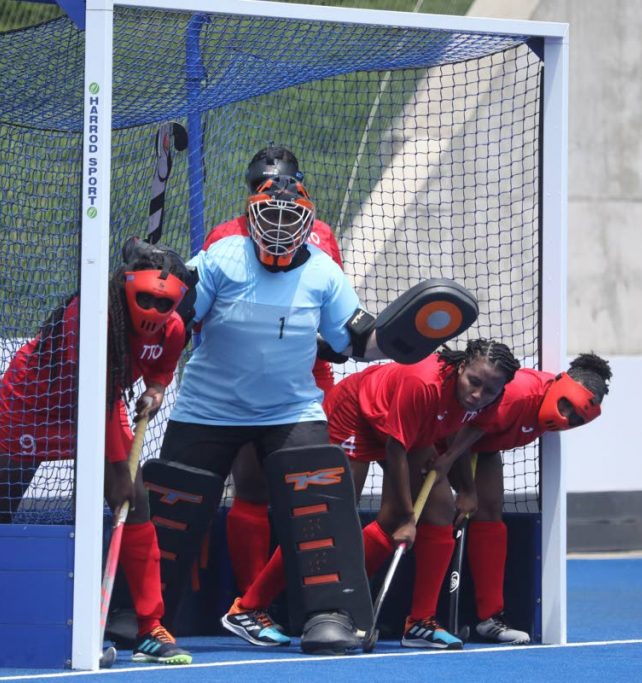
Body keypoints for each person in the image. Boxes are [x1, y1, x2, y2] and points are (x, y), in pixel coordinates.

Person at [143, 145, 478, 657]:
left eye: (289, 214)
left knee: (323, 502)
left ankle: (330, 615)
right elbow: (180, 320)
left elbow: (354, 341)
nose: (278, 224)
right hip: (208, 407)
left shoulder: (323, 268)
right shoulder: (219, 254)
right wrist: (158, 289)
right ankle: (140, 616)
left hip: (291, 407)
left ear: (306, 218)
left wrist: (401, 337)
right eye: (268, 212)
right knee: (173, 506)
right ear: (251, 210)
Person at [0, 244, 195, 665]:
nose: (152, 309)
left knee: (134, 500)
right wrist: (119, 466)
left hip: (102, 404)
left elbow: (161, 367)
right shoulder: (89, 316)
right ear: (125, 288)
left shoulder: (173, 329)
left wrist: (156, 389)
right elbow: (92, 396)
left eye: (162, 302)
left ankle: (150, 627)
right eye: (144, 298)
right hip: (34, 405)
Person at [222, 339, 520, 651]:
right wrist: (407, 517)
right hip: (357, 412)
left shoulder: (491, 397)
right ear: (461, 367)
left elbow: (467, 431)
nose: (477, 395)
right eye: (474, 382)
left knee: (440, 509)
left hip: (411, 426)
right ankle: (247, 608)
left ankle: (420, 622)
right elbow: (396, 449)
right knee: (327, 520)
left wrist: (465, 486)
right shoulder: (423, 384)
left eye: (489, 390)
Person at [199, 147, 346, 601]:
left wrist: (331, 340)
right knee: (253, 487)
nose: (275, 194)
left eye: (284, 184)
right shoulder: (225, 237)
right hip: (245, 379)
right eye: (263, 186)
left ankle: (309, 599)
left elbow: (331, 304)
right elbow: (207, 312)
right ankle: (250, 601)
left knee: (312, 491)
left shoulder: (321, 235)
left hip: (310, 377)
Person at [413, 352, 613, 646]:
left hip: (481, 444)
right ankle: (418, 620)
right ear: (558, 384)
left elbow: (481, 436)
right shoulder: (517, 395)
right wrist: (466, 491)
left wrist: (472, 493)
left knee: (491, 511)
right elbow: (461, 427)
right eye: (566, 405)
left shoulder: (547, 403)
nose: (567, 417)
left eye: (576, 418)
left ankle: (489, 619)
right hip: (435, 434)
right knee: (440, 511)